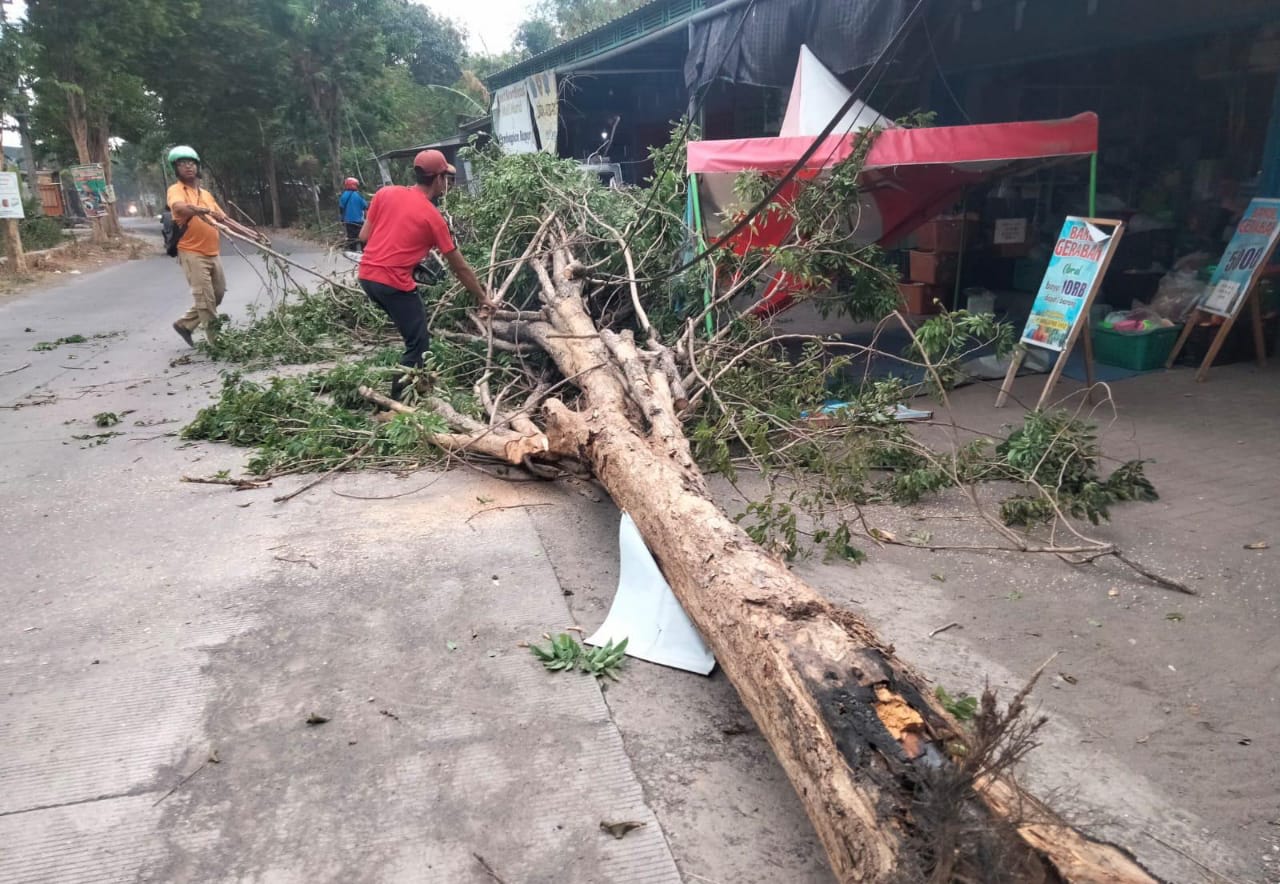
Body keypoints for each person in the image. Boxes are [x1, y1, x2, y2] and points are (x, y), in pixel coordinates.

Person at [358, 149, 495, 399]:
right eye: (447, 178)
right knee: (418, 344)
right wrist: (482, 297)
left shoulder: (385, 193)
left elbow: (364, 237)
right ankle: (397, 405)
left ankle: (420, 384)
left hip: (367, 277)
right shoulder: (433, 218)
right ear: (439, 178)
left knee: (413, 330)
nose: (448, 185)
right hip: (393, 283)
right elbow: (460, 267)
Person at [165, 145, 229, 347]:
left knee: (217, 294)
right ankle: (216, 344)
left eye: (191, 163)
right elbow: (178, 207)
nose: (188, 167)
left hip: (213, 252)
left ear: (197, 166)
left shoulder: (206, 194)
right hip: (192, 252)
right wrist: (197, 210)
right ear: (176, 169)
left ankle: (185, 324)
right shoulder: (176, 190)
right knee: (205, 299)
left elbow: (222, 216)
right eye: (183, 164)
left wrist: (251, 232)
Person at [338, 177, 367, 252]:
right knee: (361, 236)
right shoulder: (359, 195)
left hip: (348, 221)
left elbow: (341, 208)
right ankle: (364, 251)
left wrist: (342, 218)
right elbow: (365, 206)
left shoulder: (344, 195)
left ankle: (352, 251)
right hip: (359, 220)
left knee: (351, 237)